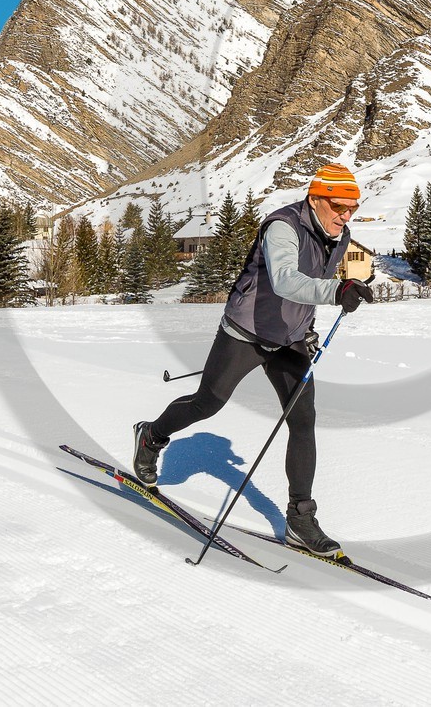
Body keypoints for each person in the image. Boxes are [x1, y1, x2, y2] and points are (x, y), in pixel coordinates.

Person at [131, 163, 374, 555]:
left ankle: (300, 517)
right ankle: (151, 436)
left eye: (353, 208)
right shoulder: (283, 227)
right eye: (338, 206)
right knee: (207, 403)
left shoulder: (339, 236)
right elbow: (285, 280)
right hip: (246, 332)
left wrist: (315, 320)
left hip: (290, 339)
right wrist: (335, 291)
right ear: (315, 199)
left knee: (303, 420)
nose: (346, 215)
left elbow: (312, 284)